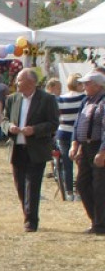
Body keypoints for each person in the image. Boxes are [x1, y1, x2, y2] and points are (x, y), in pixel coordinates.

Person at [2, 69, 59, 233]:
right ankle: (27, 213)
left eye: (19, 80)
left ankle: (31, 221)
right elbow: (4, 119)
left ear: (31, 82)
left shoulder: (46, 99)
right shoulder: (12, 99)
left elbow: (53, 123)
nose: (16, 83)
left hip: (36, 149)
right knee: (20, 186)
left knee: (32, 186)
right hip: (17, 148)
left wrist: (34, 129)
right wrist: (9, 127)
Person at [69, 71, 105, 235]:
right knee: (83, 184)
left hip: (99, 147)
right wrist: (74, 144)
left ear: (98, 85)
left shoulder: (103, 102)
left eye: (87, 83)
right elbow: (77, 125)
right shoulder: (86, 100)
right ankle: (95, 219)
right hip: (86, 147)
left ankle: (100, 224)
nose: (84, 86)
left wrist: (103, 151)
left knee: (99, 186)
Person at [56, 73, 85, 201]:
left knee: (67, 165)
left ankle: (68, 192)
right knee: (81, 164)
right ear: (77, 84)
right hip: (78, 134)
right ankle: (79, 192)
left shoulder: (60, 99)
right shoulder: (84, 98)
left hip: (63, 132)